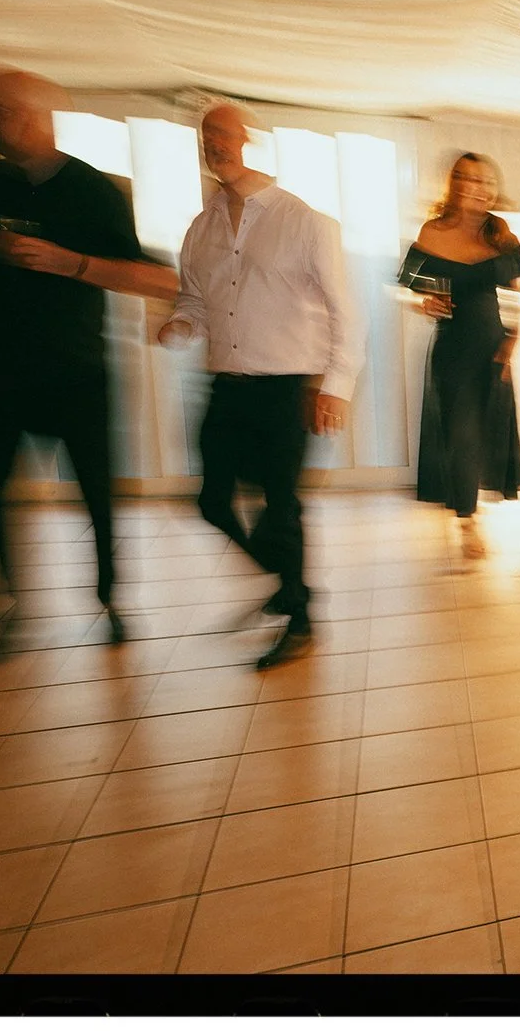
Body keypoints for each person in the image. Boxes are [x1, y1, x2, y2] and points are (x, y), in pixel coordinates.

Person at [0, 71, 180, 651]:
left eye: (0, 110)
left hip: (78, 374)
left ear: (34, 117)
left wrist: (68, 262)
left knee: (97, 494)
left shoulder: (92, 191)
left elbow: (157, 279)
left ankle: (111, 598)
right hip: (6, 371)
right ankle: (10, 601)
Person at [158, 102, 364, 670]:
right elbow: (195, 300)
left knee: (280, 506)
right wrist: (183, 323)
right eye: (206, 138)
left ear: (250, 141)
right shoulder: (200, 228)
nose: (214, 146)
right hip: (225, 388)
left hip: (286, 389)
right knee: (211, 501)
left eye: (224, 135)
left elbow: (345, 310)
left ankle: (299, 619)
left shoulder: (304, 220)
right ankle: (289, 586)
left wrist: (336, 385)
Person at [399, 153, 520, 558]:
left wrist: (512, 342)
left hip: (494, 347)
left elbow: (515, 291)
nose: (480, 188)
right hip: (453, 350)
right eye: (470, 180)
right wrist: (423, 302)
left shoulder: (500, 232)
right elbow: (410, 282)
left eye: (486, 181)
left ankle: (472, 508)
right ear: (456, 184)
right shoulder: (434, 230)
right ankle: (467, 521)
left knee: (486, 431)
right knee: (461, 433)